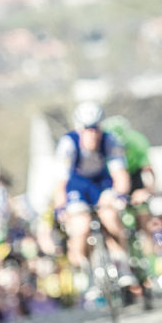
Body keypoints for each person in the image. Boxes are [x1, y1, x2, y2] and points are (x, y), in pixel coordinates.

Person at [53, 102, 130, 270]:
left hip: (101, 184)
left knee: (110, 217)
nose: (92, 134)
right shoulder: (68, 144)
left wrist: (120, 195)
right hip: (77, 186)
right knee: (81, 226)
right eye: (88, 129)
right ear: (79, 129)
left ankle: (122, 264)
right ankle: (84, 271)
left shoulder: (110, 140)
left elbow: (120, 175)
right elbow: (61, 183)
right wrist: (60, 207)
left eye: (96, 128)